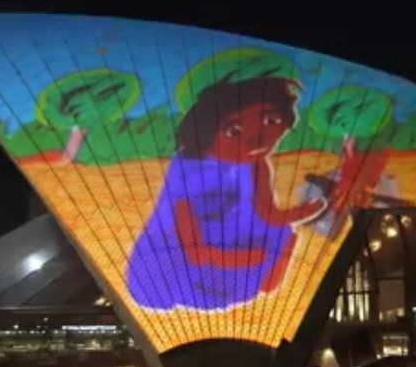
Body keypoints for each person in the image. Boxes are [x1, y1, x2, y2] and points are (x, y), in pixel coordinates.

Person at [126, 76, 357, 311]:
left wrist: (311, 209)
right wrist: (243, 259)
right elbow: (193, 251)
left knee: (283, 233)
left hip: (233, 245)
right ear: (205, 131)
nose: (257, 136)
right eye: (234, 129)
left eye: (270, 119)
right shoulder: (188, 175)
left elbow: (268, 214)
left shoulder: (256, 165)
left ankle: (265, 283)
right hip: (178, 266)